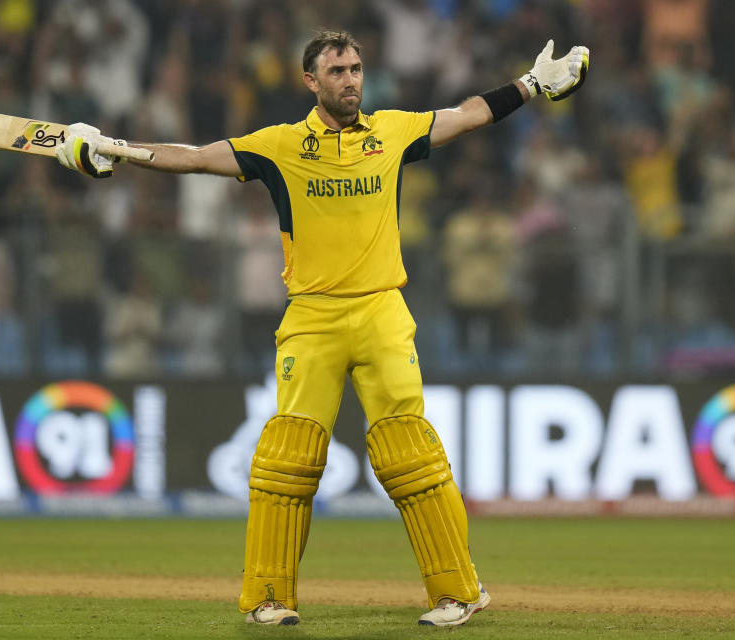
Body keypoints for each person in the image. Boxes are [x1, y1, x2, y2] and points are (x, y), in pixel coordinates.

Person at [56, 29, 589, 628]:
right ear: (311, 81)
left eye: (357, 69)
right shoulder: (280, 145)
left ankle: (457, 592)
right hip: (311, 317)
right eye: (337, 71)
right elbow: (198, 156)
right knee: (288, 461)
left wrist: (533, 85)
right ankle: (268, 598)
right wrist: (115, 148)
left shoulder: (392, 130)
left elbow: (468, 116)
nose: (351, 81)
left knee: (410, 456)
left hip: (382, 310)